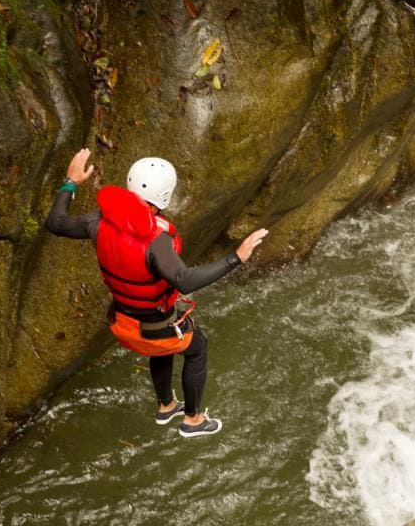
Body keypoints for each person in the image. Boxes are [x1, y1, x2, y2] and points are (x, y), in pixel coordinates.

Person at [46, 147, 268, 438]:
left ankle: (166, 405)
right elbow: (184, 280)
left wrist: (70, 181)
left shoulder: (97, 221)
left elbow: (56, 223)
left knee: (166, 343)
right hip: (153, 331)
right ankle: (193, 420)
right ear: (165, 196)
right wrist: (236, 257)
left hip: (122, 325)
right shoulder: (156, 241)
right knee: (197, 346)